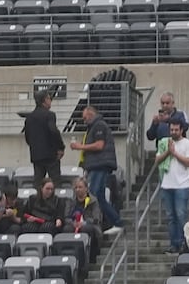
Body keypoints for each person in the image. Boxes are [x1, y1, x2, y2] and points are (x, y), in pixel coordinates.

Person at [73, 101, 120, 229]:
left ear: (91, 114)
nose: (84, 121)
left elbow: (99, 145)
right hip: (96, 165)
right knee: (99, 197)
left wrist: (80, 147)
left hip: (100, 165)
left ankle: (97, 223)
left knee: (93, 195)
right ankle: (116, 222)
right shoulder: (93, 127)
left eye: (85, 118)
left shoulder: (98, 125)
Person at [152, 124, 189, 249]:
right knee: (171, 217)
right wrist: (168, 152)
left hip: (182, 185)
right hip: (166, 184)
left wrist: (175, 153)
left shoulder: (188, 144)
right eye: (172, 129)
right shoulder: (164, 142)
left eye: (176, 130)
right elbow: (157, 160)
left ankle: (183, 243)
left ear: (181, 130)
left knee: (181, 215)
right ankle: (173, 244)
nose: (174, 132)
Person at [21, 91, 64, 183]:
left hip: (36, 155)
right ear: (44, 101)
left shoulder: (29, 117)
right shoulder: (49, 115)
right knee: (55, 181)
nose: (50, 101)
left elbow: (27, 136)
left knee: (38, 182)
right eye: (49, 98)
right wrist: (60, 147)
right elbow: (54, 131)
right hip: (51, 154)